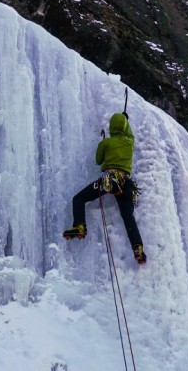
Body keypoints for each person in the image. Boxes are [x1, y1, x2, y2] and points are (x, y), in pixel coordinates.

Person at [63, 112, 146, 264]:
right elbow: (130, 134)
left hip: (110, 179)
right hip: (126, 183)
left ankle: (80, 226)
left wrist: (104, 145)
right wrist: (126, 121)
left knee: (79, 198)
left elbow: (98, 161)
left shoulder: (106, 143)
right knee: (128, 216)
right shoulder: (130, 143)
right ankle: (138, 248)